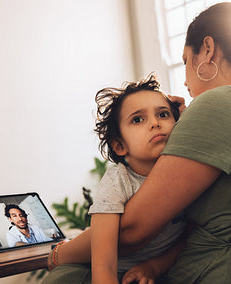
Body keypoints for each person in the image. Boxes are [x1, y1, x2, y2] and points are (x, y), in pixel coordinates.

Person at [46, 2, 231, 283]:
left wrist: (57, 255)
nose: (185, 82)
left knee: (66, 276)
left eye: (186, 59)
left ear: (208, 50)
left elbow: (132, 231)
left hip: (223, 268)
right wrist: (185, 124)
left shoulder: (223, 101)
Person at [43, 74, 186, 284]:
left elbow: (189, 236)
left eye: (163, 114)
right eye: (138, 119)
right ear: (119, 146)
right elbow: (104, 266)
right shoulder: (118, 181)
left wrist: (152, 267)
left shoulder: (188, 173)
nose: (155, 123)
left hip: (154, 272)